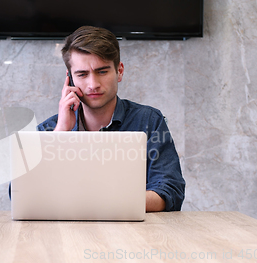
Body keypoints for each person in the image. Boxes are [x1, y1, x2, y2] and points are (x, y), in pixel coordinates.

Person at [37, 26, 185, 212]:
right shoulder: (49, 130)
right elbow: (19, 193)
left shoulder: (149, 121)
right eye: (82, 74)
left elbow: (170, 192)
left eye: (102, 71)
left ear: (119, 71)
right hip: (67, 235)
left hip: (133, 235)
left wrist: (98, 201)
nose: (93, 84)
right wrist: (60, 133)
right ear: (70, 80)